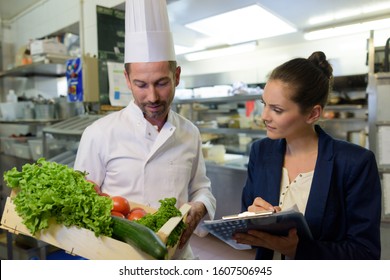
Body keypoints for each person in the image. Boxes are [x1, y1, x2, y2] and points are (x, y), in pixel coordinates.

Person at [74, 0, 216, 259]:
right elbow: (83, 201)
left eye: (162, 83)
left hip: (177, 258)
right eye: (141, 84)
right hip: (115, 260)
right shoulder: (99, 133)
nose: (152, 97)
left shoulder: (189, 132)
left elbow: (201, 187)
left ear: (177, 76)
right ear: (127, 79)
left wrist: (200, 205)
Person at [233, 51, 382, 260]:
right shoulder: (261, 152)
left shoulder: (355, 164)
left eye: (276, 109)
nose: (264, 116)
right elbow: (245, 220)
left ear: (313, 114)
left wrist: (298, 250)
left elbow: (366, 253)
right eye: (263, 104)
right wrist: (251, 217)